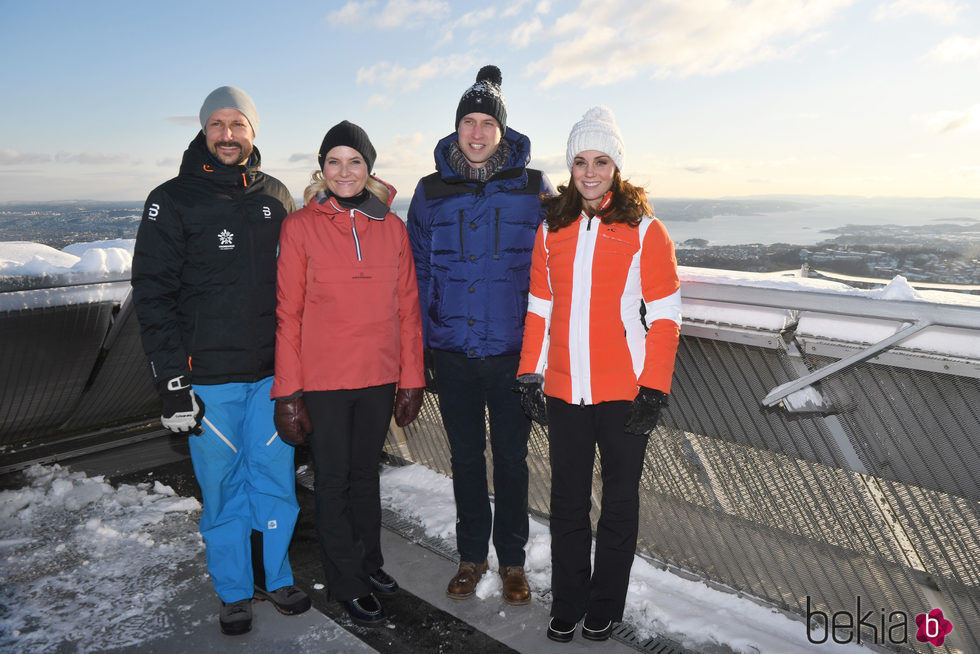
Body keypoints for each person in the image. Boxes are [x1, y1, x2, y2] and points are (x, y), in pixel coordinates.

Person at [132, 86, 310, 636]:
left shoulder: (277, 195)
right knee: (223, 489)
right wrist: (171, 381)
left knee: (276, 481)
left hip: (271, 376)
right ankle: (234, 590)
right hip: (207, 380)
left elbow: (303, 285)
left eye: (239, 124)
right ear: (204, 130)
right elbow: (153, 292)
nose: (228, 134)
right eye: (218, 124)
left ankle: (276, 577)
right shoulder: (172, 198)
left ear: (254, 132)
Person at [516, 106, 682, 643]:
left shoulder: (644, 230)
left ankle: (603, 605)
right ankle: (567, 602)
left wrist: (653, 387)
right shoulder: (553, 228)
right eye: (581, 161)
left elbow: (666, 315)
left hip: (623, 393)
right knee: (566, 503)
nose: (590, 172)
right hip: (565, 389)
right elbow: (540, 307)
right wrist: (528, 373)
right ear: (570, 167)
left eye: (601, 161)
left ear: (616, 167)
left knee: (618, 504)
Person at [407, 65, 555, 606]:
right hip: (451, 350)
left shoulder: (533, 188)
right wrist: (418, 347)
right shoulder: (429, 192)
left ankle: (513, 562)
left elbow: (561, 263)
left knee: (512, 462)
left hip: (514, 355)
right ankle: (472, 557)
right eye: (467, 121)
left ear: (501, 131)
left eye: (486, 123)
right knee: (465, 459)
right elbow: (417, 274)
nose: (475, 132)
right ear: (456, 128)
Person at [272, 120, 425, 627]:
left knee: (366, 478)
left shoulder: (392, 228)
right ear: (321, 169)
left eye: (354, 161)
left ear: (369, 168)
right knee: (334, 481)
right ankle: (347, 581)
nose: (344, 171)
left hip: (379, 376)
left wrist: (411, 378)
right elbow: (287, 312)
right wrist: (288, 392)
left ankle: (368, 562)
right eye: (334, 162)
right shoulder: (300, 228)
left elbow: (407, 309)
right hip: (324, 380)